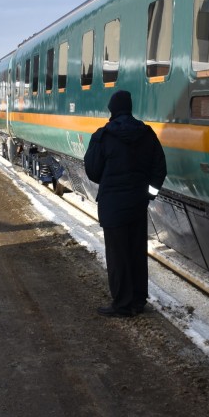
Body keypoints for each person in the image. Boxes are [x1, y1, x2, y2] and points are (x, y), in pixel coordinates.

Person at [84, 90, 167, 318]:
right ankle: (138, 300)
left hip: (113, 206)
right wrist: (149, 194)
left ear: (112, 109)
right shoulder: (147, 134)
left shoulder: (103, 136)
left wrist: (108, 181)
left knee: (118, 255)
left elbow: (92, 170)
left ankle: (122, 303)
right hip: (137, 205)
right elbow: (160, 169)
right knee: (136, 253)